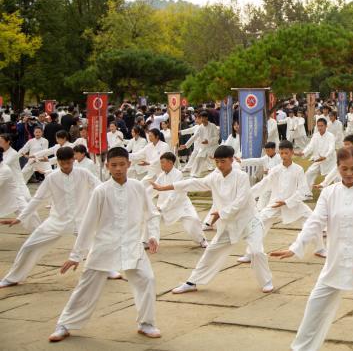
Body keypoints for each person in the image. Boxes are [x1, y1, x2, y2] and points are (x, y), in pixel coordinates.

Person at [270, 147, 353, 351]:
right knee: (315, 305)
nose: (349, 174)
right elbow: (315, 222)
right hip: (337, 261)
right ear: (337, 167)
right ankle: (302, 348)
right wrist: (296, 247)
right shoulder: (330, 193)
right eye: (344, 168)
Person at [47, 146, 161, 342]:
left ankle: (146, 323)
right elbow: (88, 224)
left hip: (132, 245)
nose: (118, 169)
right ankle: (65, 324)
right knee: (87, 286)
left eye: (122, 165)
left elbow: (152, 214)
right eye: (114, 165)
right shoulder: (101, 191)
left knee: (147, 280)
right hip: (104, 246)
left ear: (129, 164)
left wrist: (153, 236)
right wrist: (76, 255)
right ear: (107, 166)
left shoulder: (138, 187)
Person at [154, 145, 274, 295]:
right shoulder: (214, 177)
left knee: (256, 251)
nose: (219, 165)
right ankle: (192, 282)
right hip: (228, 225)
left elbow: (241, 201)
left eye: (222, 161)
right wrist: (164, 188)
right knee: (211, 251)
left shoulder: (241, 176)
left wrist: (221, 213)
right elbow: (192, 183)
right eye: (217, 161)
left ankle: (267, 281)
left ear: (231, 160)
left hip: (249, 221)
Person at [0, 147, 102, 287]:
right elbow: (37, 199)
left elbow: (99, 187)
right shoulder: (52, 178)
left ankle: (107, 270)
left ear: (73, 159)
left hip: (81, 220)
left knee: (97, 245)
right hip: (57, 221)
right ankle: (12, 278)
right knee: (29, 246)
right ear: (58, 161)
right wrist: (21, 218)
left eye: (68, 162)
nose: (66, 166)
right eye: (62, 163)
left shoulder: (83, 173)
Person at [239, 140, 325, 263]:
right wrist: (247, 195)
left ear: (291, 153)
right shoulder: (275, 170)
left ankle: (320, 248)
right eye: (282, 153)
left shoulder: (298, 170)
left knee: (311, 220)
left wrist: (287, 202)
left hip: (294, 204)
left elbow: (302, 190)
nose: (284, 156)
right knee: (259, 224)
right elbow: (263, 184)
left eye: (286, 153)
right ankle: (250, 253)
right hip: (275, 204)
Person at [148, 152, 207, 248]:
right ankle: (148, 241)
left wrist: (163, 207)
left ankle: (202, 240)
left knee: (193, 220)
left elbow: (174, 194)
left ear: (170, 163)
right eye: (161, 162)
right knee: (151, 218)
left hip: (181, 205)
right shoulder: (161, 175)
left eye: (163, 162)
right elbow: (153, 189)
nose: (161, 165)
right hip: (164, 205)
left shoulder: (178, 174)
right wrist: (144, 197)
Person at [302, 117, 336, 193]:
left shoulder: (330, 136)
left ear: (326, 126)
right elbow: (310, 146)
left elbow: (332, 148)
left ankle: (333, 193)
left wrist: (325, 156)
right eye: (318, 126)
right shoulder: (315, 135)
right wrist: (303, 153)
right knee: (308, 174)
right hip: (318, 160)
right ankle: (307, 193)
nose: (320, 128)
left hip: (329, 161)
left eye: (321, 126)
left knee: (332, 178)